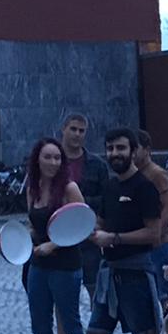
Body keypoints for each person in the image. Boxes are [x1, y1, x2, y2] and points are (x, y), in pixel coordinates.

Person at [80, 128, 167, 334]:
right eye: (110, 148)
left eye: (120, 148)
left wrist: (114, 238)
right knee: (96, 332)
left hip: (136, 272)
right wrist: (90, 231)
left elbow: (154, 234)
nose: (115, 153)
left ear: (133, 151)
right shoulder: (110, 186)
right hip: (109, 273)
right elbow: (102, 222)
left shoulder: (145, 187)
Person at [21, 137, 91, 334]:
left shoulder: (69, 188)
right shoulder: (33, 188)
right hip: (38, 264)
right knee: (39, 325)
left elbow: (84, 224)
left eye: (57, 158)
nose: (53, 162)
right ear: (37, 160)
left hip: (65, 265)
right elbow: (33, 224)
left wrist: (54, 244)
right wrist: (22, 239)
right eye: (47, 157)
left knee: (71, 325)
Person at [131, 130, 168, 334]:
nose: (132, 153)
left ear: (147, 149)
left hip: (159, 243)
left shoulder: (157, 173)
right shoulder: (135, 174)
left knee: (164, 292)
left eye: (136, 148)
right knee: (144, 293)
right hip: (141, 243)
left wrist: (156, 234)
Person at [60, 113, 111, 301]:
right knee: (63, 294)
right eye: (73, 129)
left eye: (81, 131)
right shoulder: (53, 161)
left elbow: (107, 199)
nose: (77, 134)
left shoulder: (97, 165)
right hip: (61, 235)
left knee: (95, 290)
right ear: (64, 129)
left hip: (89, 237)